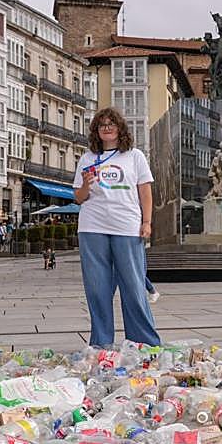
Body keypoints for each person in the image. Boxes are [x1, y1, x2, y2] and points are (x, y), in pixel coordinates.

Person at [74, 107, 160, 347]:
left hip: (126, 225)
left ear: (120, 128)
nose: (107, 128)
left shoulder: (134, 156)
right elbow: (79, 198)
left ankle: (143, 342)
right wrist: (85, 185)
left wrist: (147, 222)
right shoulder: (87, 158)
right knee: (97, 289)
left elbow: (145, 191)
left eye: (111, 124)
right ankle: (101, 343)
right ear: (96, 131)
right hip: (92, 226)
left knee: (133, 285)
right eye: (102, 125)